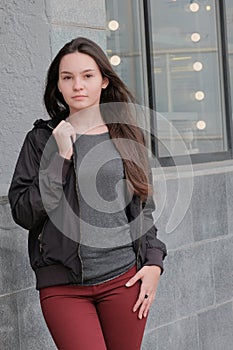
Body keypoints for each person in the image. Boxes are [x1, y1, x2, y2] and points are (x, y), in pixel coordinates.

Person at [8, 37, 167, 350]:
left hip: (125, 278)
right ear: (58, 85)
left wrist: (154, 263)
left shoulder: (126, 135)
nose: (77, 85)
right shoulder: (41, 139)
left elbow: (143, 208)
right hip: (64, 289)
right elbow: (23, 212)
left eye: (87, 75)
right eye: (67, 77)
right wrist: (59, 159)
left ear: (104, 81)